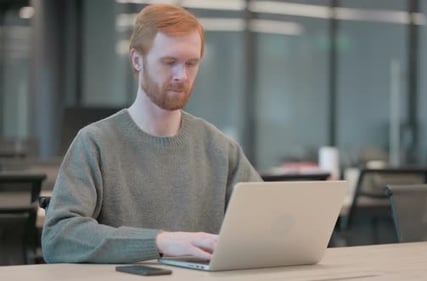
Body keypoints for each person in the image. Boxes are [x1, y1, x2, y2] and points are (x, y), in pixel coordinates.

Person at [42, 4, 262, 264]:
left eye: (191, 64)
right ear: (137, 60)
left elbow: (266, 221)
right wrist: (160, 242)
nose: (182, 76)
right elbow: (59, 237)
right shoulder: (95, 143)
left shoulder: (220, 148)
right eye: (170, 62)